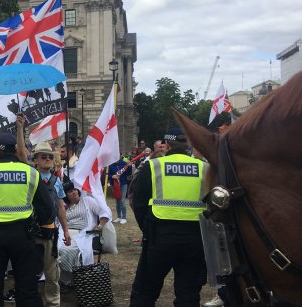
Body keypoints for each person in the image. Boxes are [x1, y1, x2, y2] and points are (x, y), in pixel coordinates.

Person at [0, 133, 54, 306]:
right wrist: (38, 224)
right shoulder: (31, 172)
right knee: (27, 287)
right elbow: (47, 209)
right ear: (15, 149)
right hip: (24, 235)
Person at [129, 127, 207, 306]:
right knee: (188, 293)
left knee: (145, 292)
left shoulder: (154, 166)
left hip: (159, 235)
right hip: (194, 238)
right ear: (188, 143)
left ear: (166, 144)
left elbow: (139, 203)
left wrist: (147, 229)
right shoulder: (204, 167)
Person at [30, 141, 71, 307]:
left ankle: (53, 303)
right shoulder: (30, 178)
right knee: (31, 272)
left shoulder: (57, 181)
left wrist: (66, 230)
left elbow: (60, 206)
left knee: (52, 274)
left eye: (49, 156)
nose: (47, 159)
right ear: (36, 160)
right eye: (43, 156)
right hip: (32, 233)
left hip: (51, 232)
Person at [57, 182, 110, 288]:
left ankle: (72, 278)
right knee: (56, 250)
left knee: (68, 250)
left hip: (82, 234)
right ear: (65, 195)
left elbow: (104, 211)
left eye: (75, 189)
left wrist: (100, 226)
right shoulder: (63, 206)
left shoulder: (87, 201)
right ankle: (64, 279)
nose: (74, 192)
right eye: (70, 191)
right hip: (65, 233)